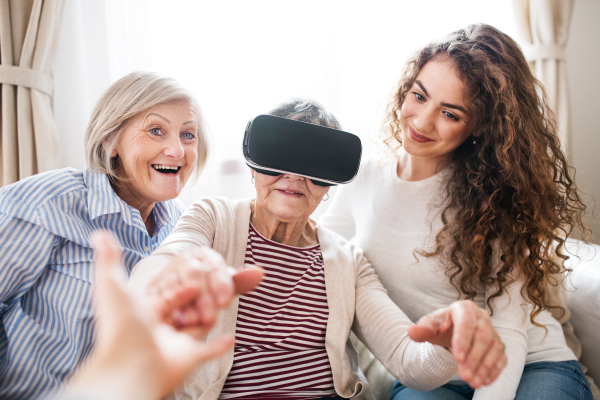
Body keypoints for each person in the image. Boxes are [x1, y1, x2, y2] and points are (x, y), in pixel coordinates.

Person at [129, 99, 507, 400]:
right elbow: (167, 261)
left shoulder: (348, 262)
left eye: (313, 166)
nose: (294, 177)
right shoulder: (213, 218)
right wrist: (169, 280)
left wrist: (444, 342)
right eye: (278, 159)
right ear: (253, 168)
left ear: (329, 185)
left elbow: (411, 366)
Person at [320, 24, 594, 400]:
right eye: (419, 96)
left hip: (530, 363)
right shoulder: (363, 177)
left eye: (450, 114)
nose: (421, 121)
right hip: (432, 372)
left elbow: (509, 330)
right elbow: (317, 249)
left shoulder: (495, 197)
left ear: (480, 124)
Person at [0, 71, 212, 399]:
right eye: (156, 130)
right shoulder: (49, 200)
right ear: (110, 141)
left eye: (188, 135)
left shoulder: (182, 227)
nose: (177, 150)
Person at [56, 231, 263, 400]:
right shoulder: (214, 212)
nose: (291, 178)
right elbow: (168, 255)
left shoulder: (171, 211)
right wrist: (163, 284)